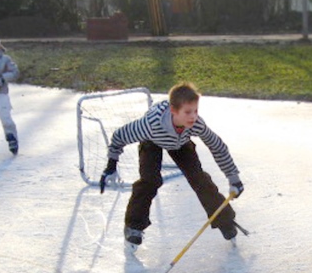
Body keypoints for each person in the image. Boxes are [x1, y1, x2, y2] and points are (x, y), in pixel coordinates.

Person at [100, 82, 244, 247]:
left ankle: (225, 220)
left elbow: (217, 146)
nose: (193, 116)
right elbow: (119, 136)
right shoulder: (150, 125)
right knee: (150, 181)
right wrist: (111, 166)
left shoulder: (195, 124)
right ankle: (133, 226)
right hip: (152, 142)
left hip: (181, 143)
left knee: (199, 178)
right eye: (188, 112)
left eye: (196, 111)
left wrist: (234, 178)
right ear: (174, 111)